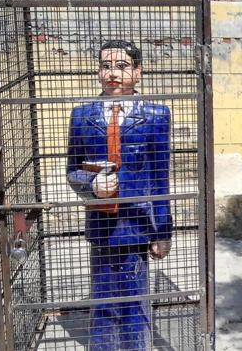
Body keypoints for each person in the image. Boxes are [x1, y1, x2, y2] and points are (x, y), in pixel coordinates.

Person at [66, 40, 172, 350]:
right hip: (101, 224)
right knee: (103, 300)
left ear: (137, 73)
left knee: (135, 302)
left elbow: (160, 178)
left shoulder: (155, 115)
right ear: (98, 72)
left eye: (122, 66)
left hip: (136, 225)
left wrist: (162, 231)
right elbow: (72, 169)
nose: (113, 73)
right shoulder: (81, 116)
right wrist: (91, 185)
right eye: (106, 66)